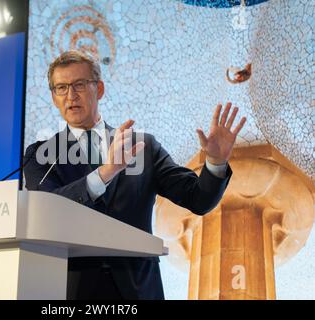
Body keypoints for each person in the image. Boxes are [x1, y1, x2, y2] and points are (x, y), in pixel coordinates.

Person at [23, 50, 246, 300]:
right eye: (61, 88)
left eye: (79, 85)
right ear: (53, 97)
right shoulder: (41, 155)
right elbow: (48, 209)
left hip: (139, 289)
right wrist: (106, 172)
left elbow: (198, 200)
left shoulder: (142, 147)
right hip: (70, 290)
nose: (71, 95)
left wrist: (215, 163)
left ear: (100, 89)